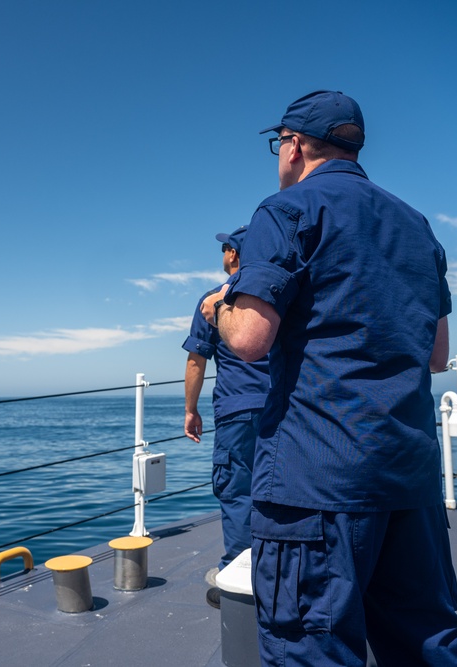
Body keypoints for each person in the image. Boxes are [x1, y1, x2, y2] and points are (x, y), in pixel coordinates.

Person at [202, 91, 457, 666]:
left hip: (316, 480)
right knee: (425, 643)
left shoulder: (288, 209)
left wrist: (219, 306)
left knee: (313, 648)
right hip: (408, 475)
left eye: (280, 145)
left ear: (293, 145)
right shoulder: (416, 224)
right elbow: (437, 356)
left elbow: (248, 339)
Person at [182, 228, 269, 604]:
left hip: (237, 411)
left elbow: (196, 361)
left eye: (224, 248)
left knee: (237, 492)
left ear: (233, 255)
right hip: (283, 407)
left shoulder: (213, 301)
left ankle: (238, 581)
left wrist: (190, 409)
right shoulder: (273, 298)